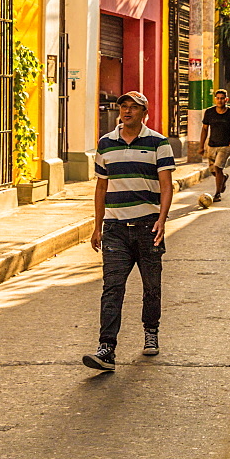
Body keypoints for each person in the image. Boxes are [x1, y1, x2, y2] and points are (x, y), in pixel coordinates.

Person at [83, 91, 175, 373]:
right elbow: (101, 186)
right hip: (115, 230)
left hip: (148, 227)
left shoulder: (158, 143)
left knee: (151, 285)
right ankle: (106, 348)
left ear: (144, 113)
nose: (126, 111)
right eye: (123, 106)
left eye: (133, 107)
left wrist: (162, 218)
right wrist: (97, 226)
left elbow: (166, 184)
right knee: (112, 288)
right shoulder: (106, 144)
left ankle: (151, 331)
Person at [199, 89, 230, 202]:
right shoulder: (209, 112)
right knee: (213, 171)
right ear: (215, 99)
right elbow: (204, 129)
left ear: (226, 100)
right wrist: (201, 146)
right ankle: (222, 178)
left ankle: (217, 194)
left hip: (226, 145)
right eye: (218, 98)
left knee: (218, 168)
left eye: (222, 98)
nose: (220, 100)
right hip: (212, 145)